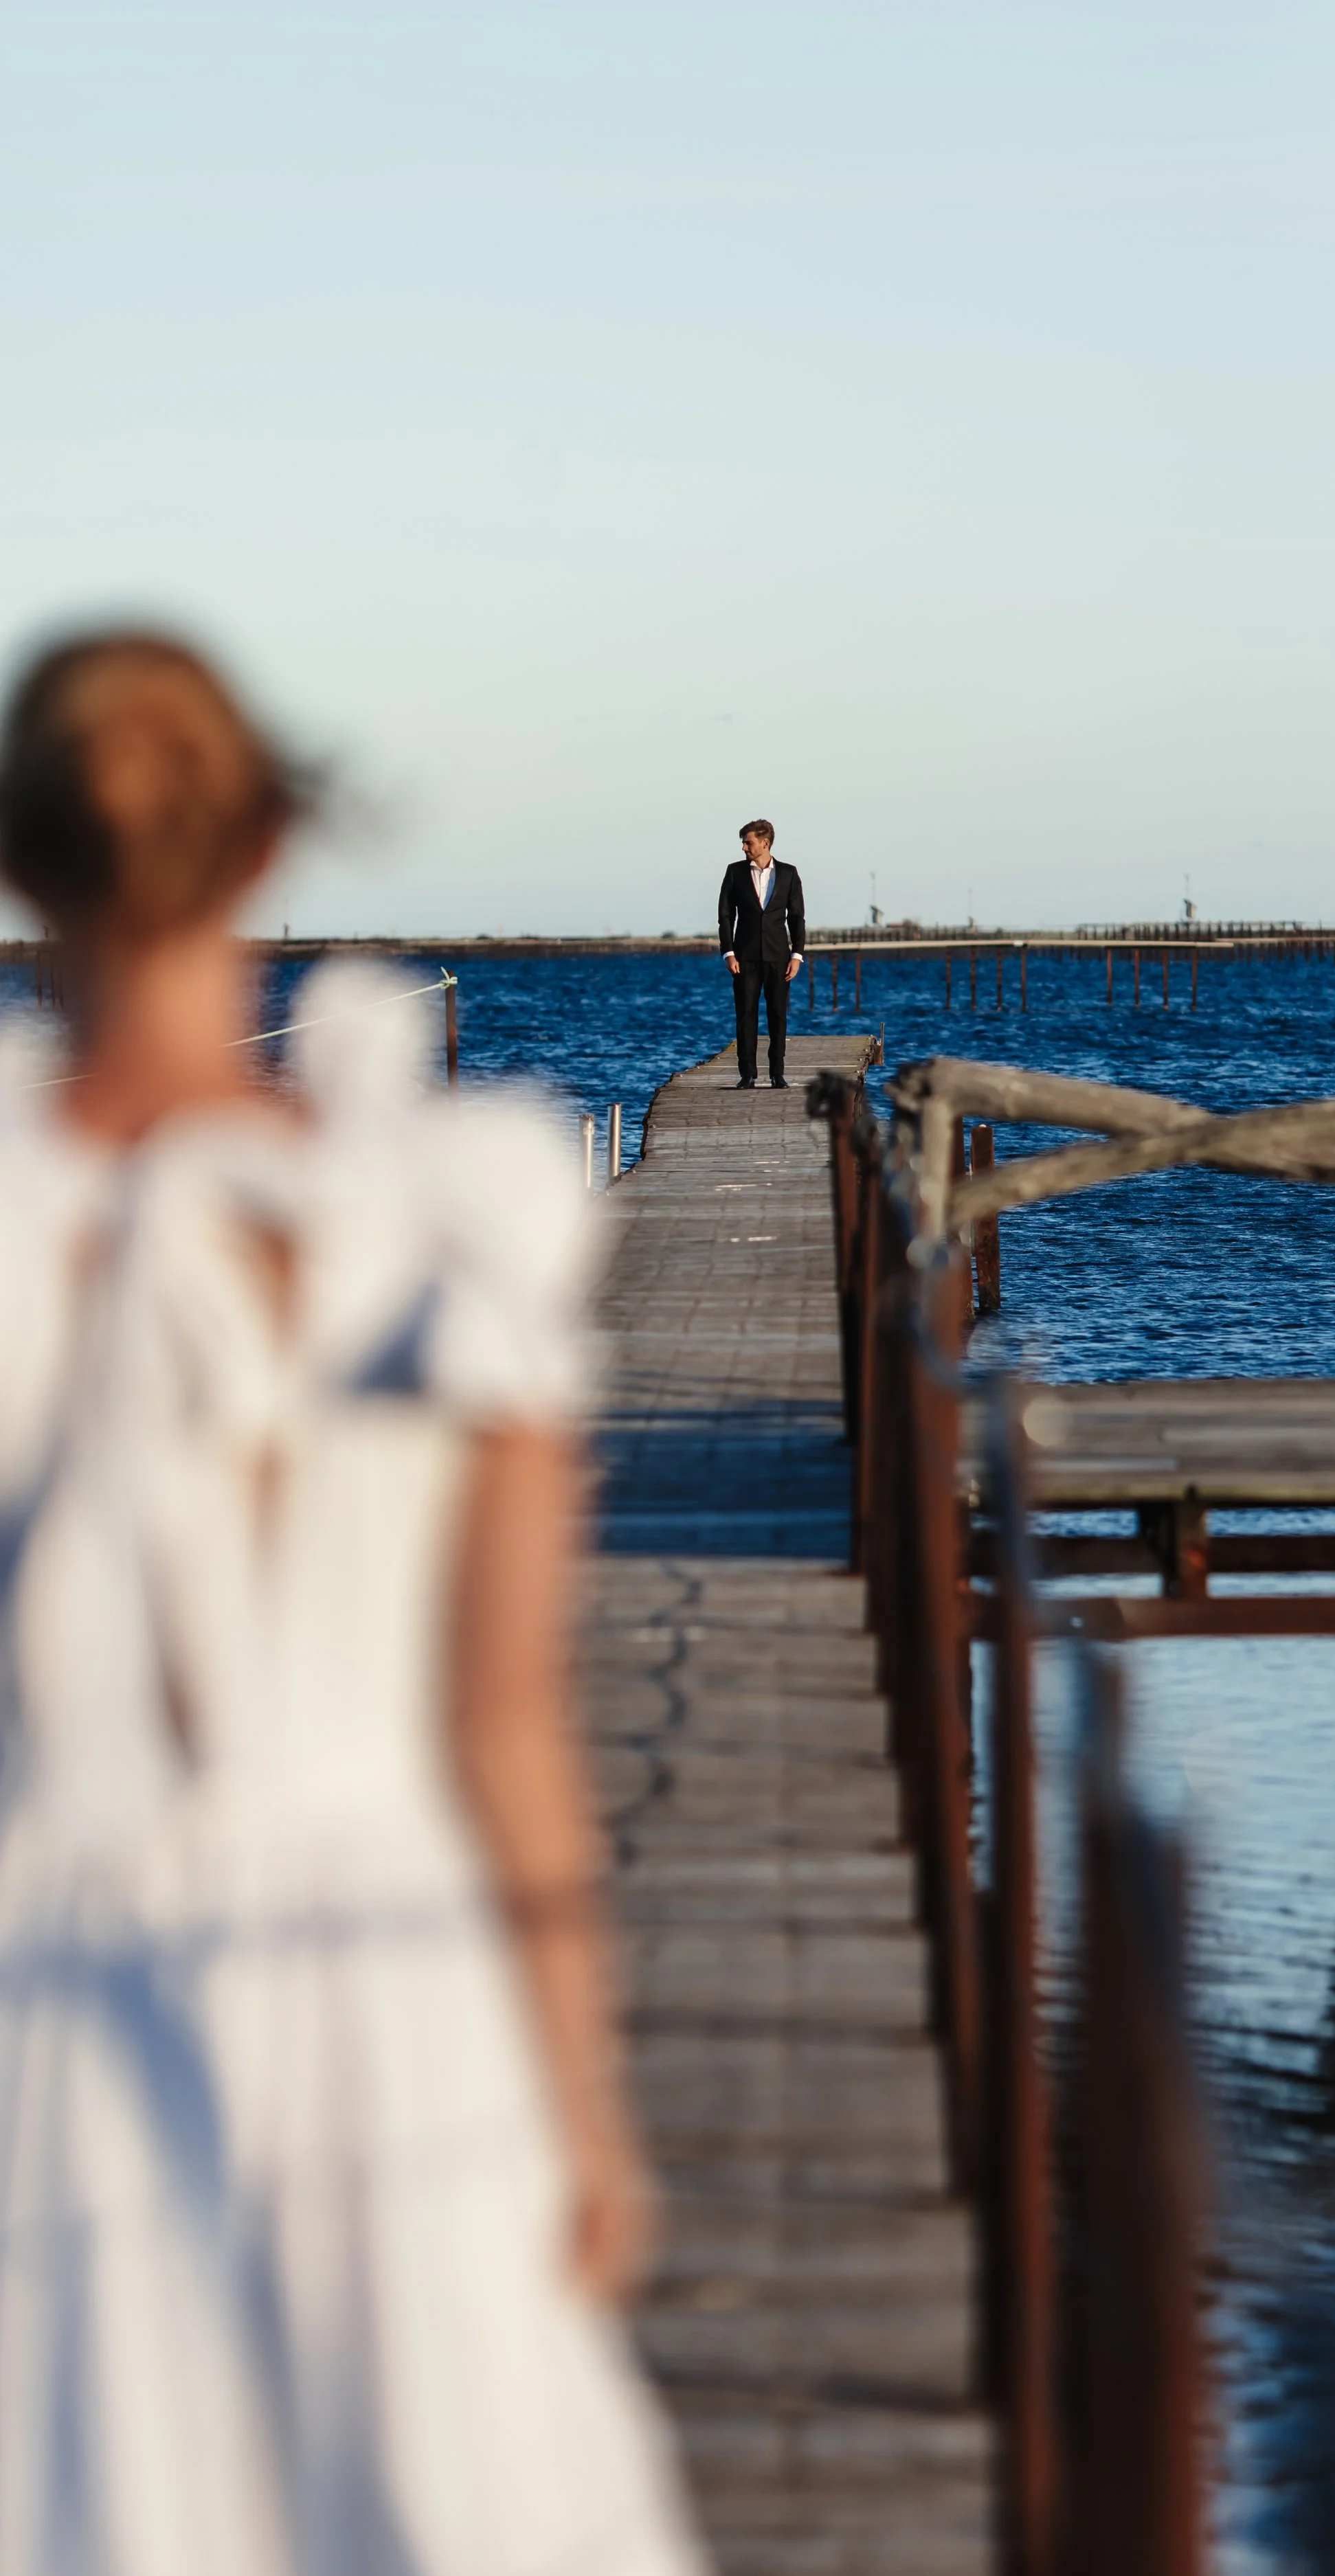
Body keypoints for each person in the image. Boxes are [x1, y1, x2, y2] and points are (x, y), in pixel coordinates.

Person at [0, 630, 705, 2576]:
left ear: (22, 862)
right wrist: (581, 2114)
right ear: (267, 845)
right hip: (379, 1979)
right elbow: (502, 1728)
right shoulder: (443, 1216)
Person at [717, 819, 805, 1088]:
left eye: (748, 842)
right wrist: (728, 952)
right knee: (746, 1015)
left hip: (779, 957)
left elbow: (797, 918)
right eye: (744, 842)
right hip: (744, 958)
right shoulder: (735, 872)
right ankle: (748, 1074)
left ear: (765, 843)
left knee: (778, 1015)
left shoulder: (789, 873)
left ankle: (777, 1073)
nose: (744, 847)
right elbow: (725, 915)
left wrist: (797, 955)